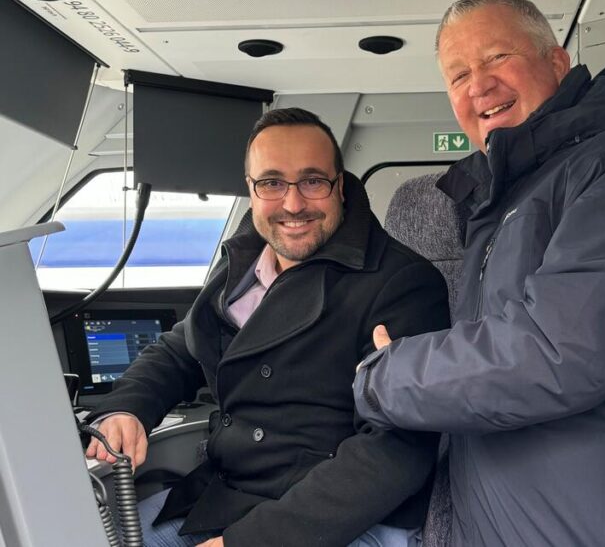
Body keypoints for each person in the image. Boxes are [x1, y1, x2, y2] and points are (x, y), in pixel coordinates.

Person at [353, 0, 605, 545]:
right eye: (458, 74)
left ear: (557, 62)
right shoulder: (504, 192)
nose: (479, 85)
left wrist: (384, 376)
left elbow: (560, 349)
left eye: (497, 58)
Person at [85, 108, 450, 547]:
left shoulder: (402, 282)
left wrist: (250, 541)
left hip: (340, 519)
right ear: (251, 190)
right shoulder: (241, 263)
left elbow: (396, 450)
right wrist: (127, 409)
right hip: (228, 495)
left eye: (313, 181)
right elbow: (181, 348)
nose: (293, 204)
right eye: (272, 183)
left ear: (340, 187)